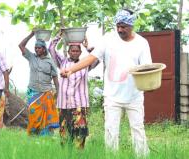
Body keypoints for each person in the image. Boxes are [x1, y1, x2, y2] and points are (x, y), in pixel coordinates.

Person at [61, 9, 151, 155]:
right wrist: (72, 69)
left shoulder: (142, 43)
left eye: (123, 26)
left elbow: (147, 68)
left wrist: (149, 84)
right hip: (112, 96)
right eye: (118, 26)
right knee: (111, 131)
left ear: (131, 25)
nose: (120, 29)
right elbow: (91, 58)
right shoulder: (108, 39)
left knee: (138, 130)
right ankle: (111, 156)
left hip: (134, 96)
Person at [48, 32, 98, 148]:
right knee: (64, 131)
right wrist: (59, 36)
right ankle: (66, 153)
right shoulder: (62, 62)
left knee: (80, 132)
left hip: (79, 104)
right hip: (64, 105)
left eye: (77, 51)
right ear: (69, 52)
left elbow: (97, 58)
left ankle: (78, 154)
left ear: (80, 52)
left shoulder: (85, 64)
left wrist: (87, 47)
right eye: (72, 51)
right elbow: (51, 49)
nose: (74, 53)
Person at [19, 30, 60, 135]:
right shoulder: (31, 57)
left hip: (46, 93)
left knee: (46, 117)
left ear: (44, 49)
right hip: (33, 92)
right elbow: (21, 45)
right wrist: (31, 34)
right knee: (33, 113)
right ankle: (33, 135)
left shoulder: (50, 61)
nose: (37, 50)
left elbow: (55, 77)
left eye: (39, 48)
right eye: (36, 48)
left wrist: (58, 91)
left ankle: (45, 137)